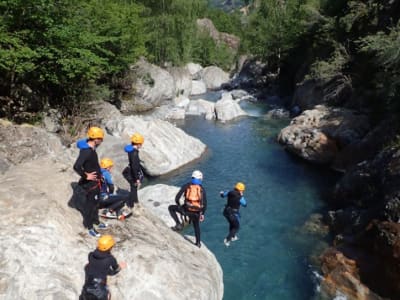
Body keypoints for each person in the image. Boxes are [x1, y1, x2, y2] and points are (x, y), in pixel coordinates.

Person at [73, 126, 109, 238]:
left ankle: (96, 221)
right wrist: (86, 176)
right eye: (101, 139)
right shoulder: (86, 152)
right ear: (96, 139)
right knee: (90, 206)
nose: (102, 141)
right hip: (91, 185)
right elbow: (76, 166)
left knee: (96, 203)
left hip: (96, 182)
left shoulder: (91, 147)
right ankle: (89, 226)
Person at [79, 235, 126, 300]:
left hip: (87, 287)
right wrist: (120, 267)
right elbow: (113, 271)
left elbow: (87, 266)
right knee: (108, 295)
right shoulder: (110, 259)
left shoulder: (90, 255)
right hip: (99, 289)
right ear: (110, 247)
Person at [168, 170, 207, 248]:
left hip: (186, 210)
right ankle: (198, 243)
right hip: (196, 212)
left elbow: (177, 198)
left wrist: (180, 206)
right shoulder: (201, 189)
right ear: (200, 178)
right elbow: (205, 204)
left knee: (171, 208)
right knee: (196, 226)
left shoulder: (187, 185)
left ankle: (178, 224)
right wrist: (202, 214)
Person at [220, 182, 247, 247]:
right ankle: (227, 239)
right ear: (240, 190)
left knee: (232, 224)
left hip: (225, 212)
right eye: (243, 190)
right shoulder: (240, 197)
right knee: (236, 227)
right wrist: (241, 196)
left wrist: (221, 193)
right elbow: (245, 204)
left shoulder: (230, 192)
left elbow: (223, 195)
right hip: (232, 214)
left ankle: (233, 236)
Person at [123, 133, 144, 209]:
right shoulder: (134, 153)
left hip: (130, 171)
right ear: (138, 144)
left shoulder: (131, 149)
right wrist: (137, 178)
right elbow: (134, 166)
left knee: (133, 188)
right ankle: (131, 205)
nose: (141, 145)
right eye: (141, 143)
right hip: (132, 173)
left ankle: (135, 201)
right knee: (134, 188)